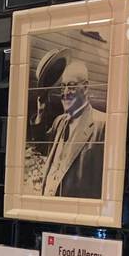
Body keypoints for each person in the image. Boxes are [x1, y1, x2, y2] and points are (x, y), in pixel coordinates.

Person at [41, 59, 105, 199]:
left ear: (86, 88)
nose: (65, 92)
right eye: (62, 87)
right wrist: (40, 112)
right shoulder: (59, 122)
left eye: (71, 86)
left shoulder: (103, 124)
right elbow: (41, 147)